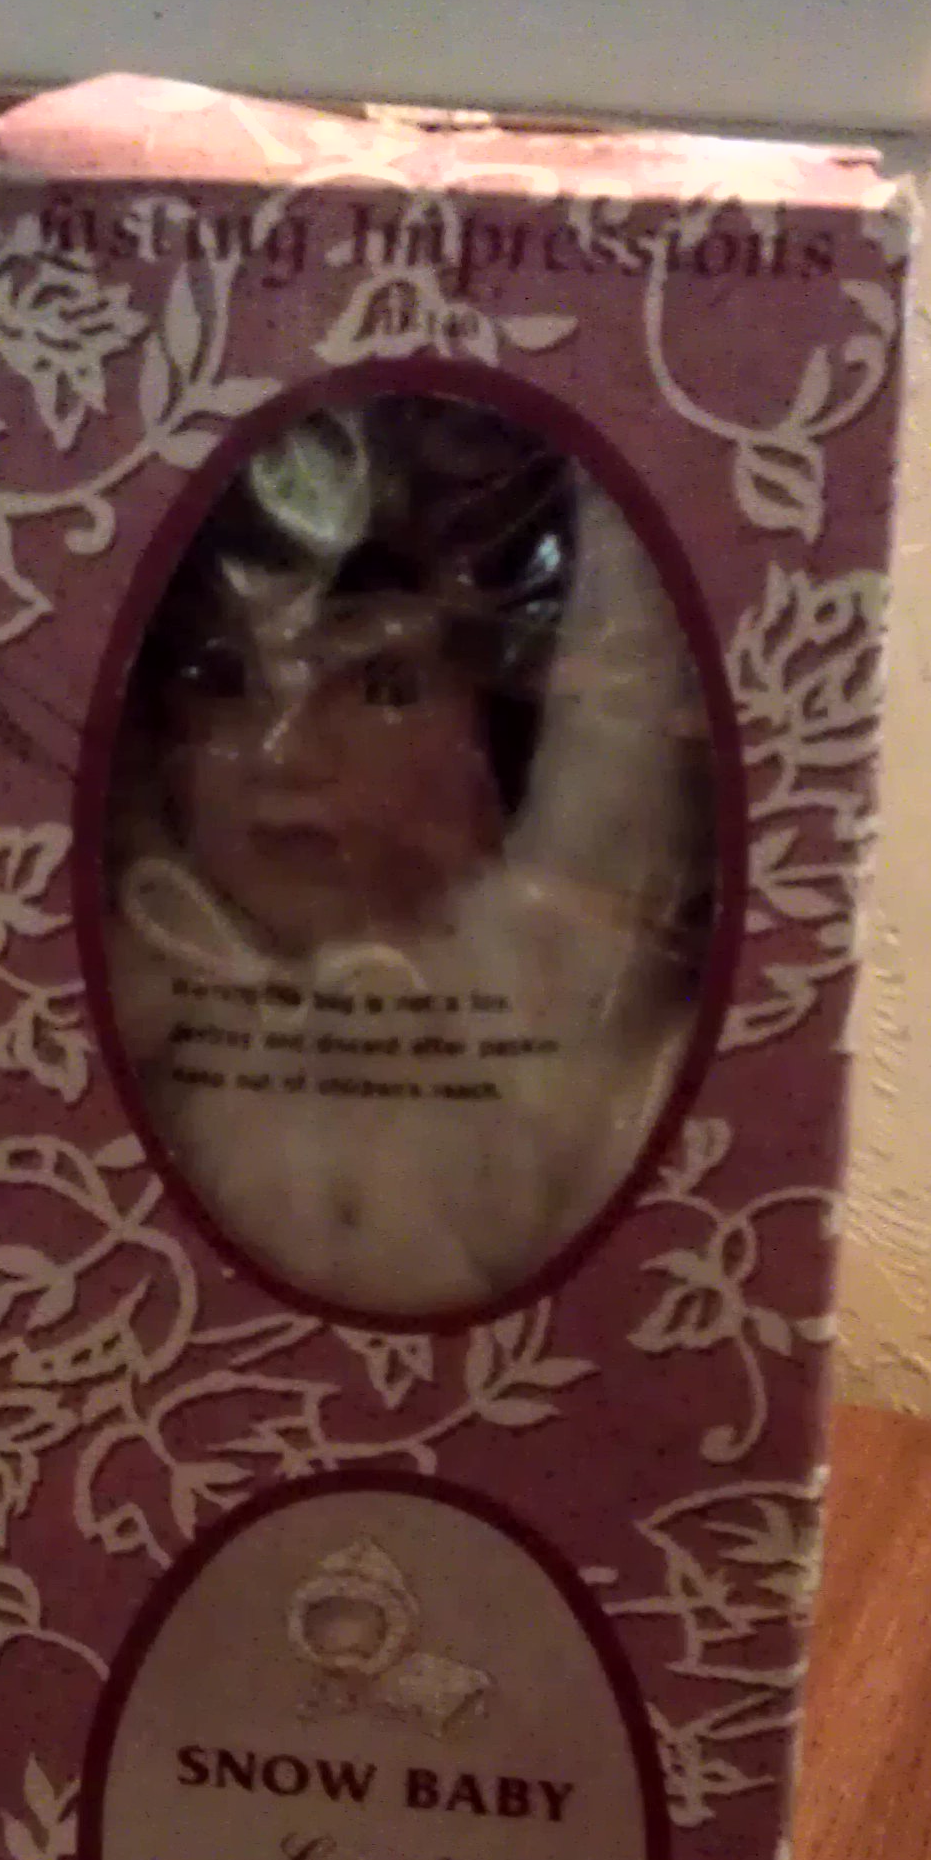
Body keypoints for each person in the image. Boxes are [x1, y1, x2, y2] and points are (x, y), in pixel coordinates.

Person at [104, 393, 713, 1316]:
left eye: (385, 687)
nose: (284, 754)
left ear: (516, 735)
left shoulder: (611, 1084)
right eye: (225, 681)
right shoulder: (131, 1049)